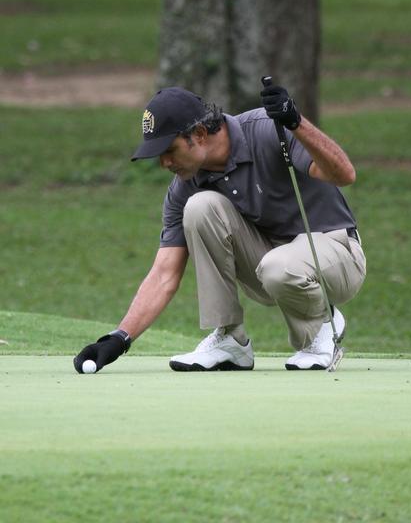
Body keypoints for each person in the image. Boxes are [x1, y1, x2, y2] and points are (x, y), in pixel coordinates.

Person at [74, 83, 366, 373]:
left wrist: (296, 122)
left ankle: (320, 328)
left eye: (169, 149)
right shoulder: (185, 188)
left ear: (199, 134)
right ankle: (230, 341)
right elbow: (164, 273)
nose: (164, 162)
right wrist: (119, 338)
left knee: (279, 266)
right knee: (201, 208)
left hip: (337, 253)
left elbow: (344, 174)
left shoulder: (267, 130)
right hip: (269, 268)